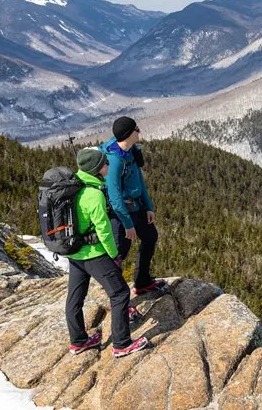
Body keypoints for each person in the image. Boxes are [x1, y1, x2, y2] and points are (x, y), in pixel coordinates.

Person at [66, 147, 148, 358]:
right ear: (96, 169)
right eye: (105, 164)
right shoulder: (93, 194)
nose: (108, 166)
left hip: (74, 252)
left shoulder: (72, 187)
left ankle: (79, 341)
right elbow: (103, 229)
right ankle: (121, 344)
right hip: (93, 252)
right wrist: (114, 254)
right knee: (120, 293)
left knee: (75, 297)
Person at [101, 116, 165, 295]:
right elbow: (114, 197)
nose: (139, 131)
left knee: (150, 236)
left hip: (137, 207)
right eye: (136, 129)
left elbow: (139, 180)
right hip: (120, 214)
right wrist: (128, 225)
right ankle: (118, 298)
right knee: (120, 253)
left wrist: (149, 206)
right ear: (129, 134)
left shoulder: (130, 151)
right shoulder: (114, 161)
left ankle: (142, 281)